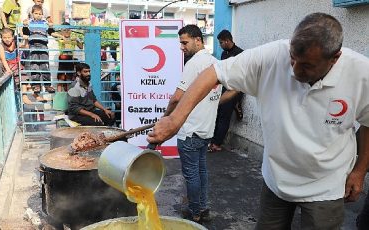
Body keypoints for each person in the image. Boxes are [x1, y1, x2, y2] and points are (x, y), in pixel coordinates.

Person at [148, 13, 369, 229]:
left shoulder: (360, 73)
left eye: (307, 66)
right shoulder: (273, 55)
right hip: (277, 180)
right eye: (292, 58)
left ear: (335, 58)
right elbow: (213, 73)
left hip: (326, 186)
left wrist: (359, 171)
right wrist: (176, 119)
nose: (294, 69)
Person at [162, 25, 222, 223]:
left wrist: (166, 118)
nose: (182, 47)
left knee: (192, 175)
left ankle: (195, 213)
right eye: (181, 43)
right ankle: (203, 208)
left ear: (198, 40)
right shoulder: (215, 63)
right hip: (206, 129)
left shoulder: (194, 64)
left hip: (190, 130)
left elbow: (176, 98)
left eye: (184, 42)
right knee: (201, 171)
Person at [209, 29, 244, 152]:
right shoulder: (224, 54)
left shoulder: (240, 54)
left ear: (227, 41)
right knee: (218, 113)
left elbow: (242, 74)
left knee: (225, 116)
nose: (220, 45)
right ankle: (213, 140)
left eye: (221, 43)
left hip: (234, 89)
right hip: (224, 88)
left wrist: (237, 94)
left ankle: (217, 143)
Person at [22, 5, 59, 93]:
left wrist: (51, 26)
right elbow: (25, 33)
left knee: (44, 65)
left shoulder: (45, 22)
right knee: (34, 65)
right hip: (33, 45)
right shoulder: (29, 22)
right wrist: (24, 25)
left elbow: (51, 32)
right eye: (36, 13)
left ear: (42, 15)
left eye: (40, 14)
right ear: (32, 14)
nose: (38, 15)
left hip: (43, 45)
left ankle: (47, 85)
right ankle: (36, 85)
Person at [56, 22, 83, 92]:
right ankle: (59, 94)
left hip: (70, 59)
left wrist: (77, 40)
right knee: (60, 78)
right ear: (61, 31)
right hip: (62, 58)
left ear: (71, 31)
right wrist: (62, 36)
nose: (67, 31)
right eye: (64, 30)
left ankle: (68, 93)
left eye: (68, 30)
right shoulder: (60, 38)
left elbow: (81, 47)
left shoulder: (73, 39)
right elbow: (52, 33)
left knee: (69, 78)